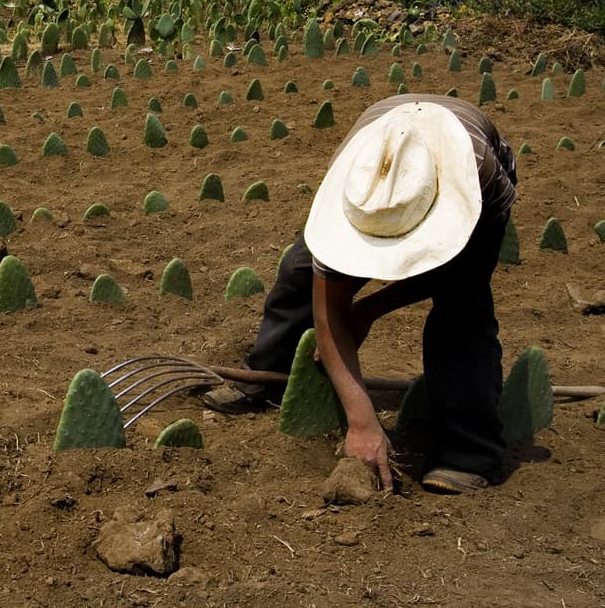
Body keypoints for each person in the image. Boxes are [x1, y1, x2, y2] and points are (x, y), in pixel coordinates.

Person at [204, 94, 517, 494]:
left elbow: (446, 270)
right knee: (299, 272)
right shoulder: (356, 178)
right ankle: (265, 375)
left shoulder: (476, 175)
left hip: (476, 187)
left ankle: (469, 453)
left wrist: (368, 308)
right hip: (379, 155)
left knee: (462, 310)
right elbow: (326, 310)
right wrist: (362, 421)